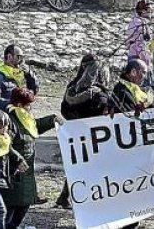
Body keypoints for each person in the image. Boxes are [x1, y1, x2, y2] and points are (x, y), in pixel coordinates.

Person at [55, 53, 113, 208]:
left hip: (77, 133)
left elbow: (64, 109)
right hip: (92, 135)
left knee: (79, 165)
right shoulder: (97, 94)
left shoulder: (72, 87)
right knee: (87, 167)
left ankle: (64, 196)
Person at [3, 88, 61, 229]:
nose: (30, 107)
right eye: (28, 104)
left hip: (26, 170)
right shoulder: (10, 121)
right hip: (14, 169)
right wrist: (17, 159)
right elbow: (4, 144)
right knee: (13, 204)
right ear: (19, 104)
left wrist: (52, 119)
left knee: (24, 202)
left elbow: (35, 126)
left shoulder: (24, 117)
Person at [0, 44, 40, 111]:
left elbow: (34, 91)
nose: (22, 60)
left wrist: (29, 74)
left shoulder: (21, 73)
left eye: (23, 57)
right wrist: (15, 105)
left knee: (52, 119)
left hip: (23, 113)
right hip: (6, 114)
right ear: (9, 56)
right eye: (19, 57)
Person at [125, 0, 154, 67]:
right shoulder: (141, 24)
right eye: (149, 11)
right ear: (143, 11)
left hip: (132, 55)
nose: (151, 13)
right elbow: (141, 45)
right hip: (139, 59)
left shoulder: (133, 21)